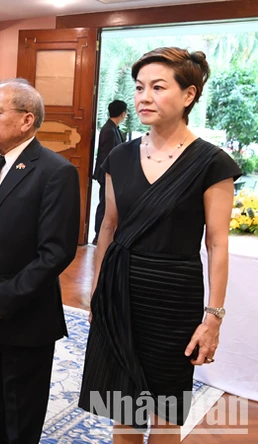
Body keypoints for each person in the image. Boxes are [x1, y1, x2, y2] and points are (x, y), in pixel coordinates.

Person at [79, 48, 240, 443]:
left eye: (157, 87)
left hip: (173, 298)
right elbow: (109, 227)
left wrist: (213, 318)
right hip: (119, 289)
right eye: (139, 88)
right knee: (122, 409)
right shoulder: (119, 156)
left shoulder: (212, 163)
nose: (144, 97)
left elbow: (217, 244)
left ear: (189, 95)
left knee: (166, 411)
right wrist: (98, 290)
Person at [0, 79, 80, 443]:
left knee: (21, 412)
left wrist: (4, 298)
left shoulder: (55, 171)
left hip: (24, 314)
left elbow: (56, 251)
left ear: (26, 120)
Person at [92, 100, 127, 244]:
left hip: (111, 174)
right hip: (107, 174)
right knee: (104, 205)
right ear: (123, 114)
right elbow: (107, 155)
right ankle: (98, 235)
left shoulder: (113, 128)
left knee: (107, 204)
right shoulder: (109, 130)